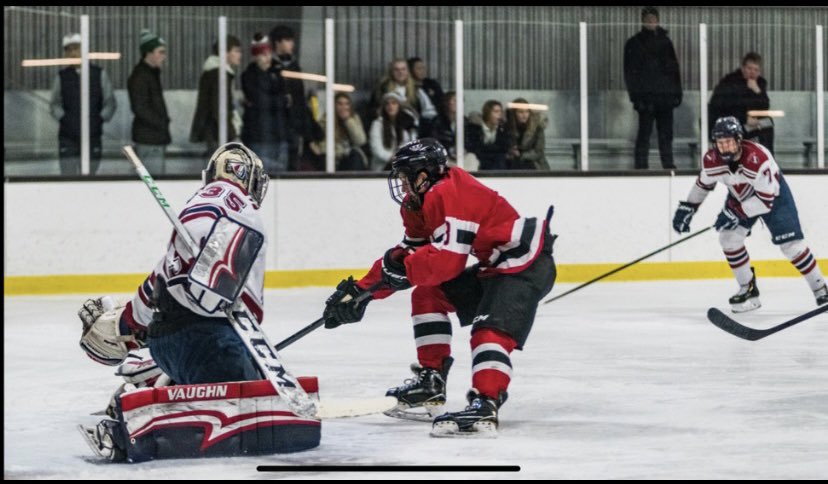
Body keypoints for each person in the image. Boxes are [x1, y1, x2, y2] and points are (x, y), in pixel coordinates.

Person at [74, 143, 321, 462]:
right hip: (209, 342)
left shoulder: (195, 205)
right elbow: (235, 304)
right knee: (247, 410)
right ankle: (128, 426)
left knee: (245, 381)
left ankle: (150, 375)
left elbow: (160, 279)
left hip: (166, 339)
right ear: (252, 179)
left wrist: (126, 324)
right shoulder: (245, 211)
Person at [321, 138, 557, 437]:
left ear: (423, 174)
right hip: (495, 265)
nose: (402, 184)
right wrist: (361, 292)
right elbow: (407, 255)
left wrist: (401, 271)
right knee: (428, 294)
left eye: (406, 176)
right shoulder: (416, 204)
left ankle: (486, 404)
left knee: (489, 330)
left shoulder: (449, 193)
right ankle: (430, 383)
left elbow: (446, 264)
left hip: (526, 263)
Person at [672, 117, 827, 312]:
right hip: (740, 195)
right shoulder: (711, 160)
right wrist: (688, 207)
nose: (724, 147)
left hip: (773, 196)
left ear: (738, 140)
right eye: (720, 143)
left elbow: (765, 201)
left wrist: (735, 212)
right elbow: (703, 185)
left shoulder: (757, 159)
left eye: (728, 141)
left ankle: (820, 289)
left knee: (791, 246)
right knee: (728, 239)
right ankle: (748, 289)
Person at [49, 33, 116, 176]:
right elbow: (54, 103)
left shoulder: (99, 74)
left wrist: (99, 119)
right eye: (69, 50)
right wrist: (64, 119)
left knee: (91, 176)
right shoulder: (62, 76)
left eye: (76, 49)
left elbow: (110, 101)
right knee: (68, 176)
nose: (73, 53)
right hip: (68, 137)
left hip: (92, 136)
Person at [623, 6, 682, 170]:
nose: (651, 21)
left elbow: (674, 70)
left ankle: (668, 164)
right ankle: (641, 166)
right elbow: (630, 74)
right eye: (647, 18)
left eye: (653, 18)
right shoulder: (634, 43)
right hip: (646, 99)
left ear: (657, 20)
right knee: (644, 134)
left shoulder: (665, 42)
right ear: (642, 21)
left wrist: (677, 93)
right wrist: (636, 98)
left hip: (665, 98)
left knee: (666, 134)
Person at [709, 52, 774, 154]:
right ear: (743, 68)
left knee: (767, 123)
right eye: (749, 68)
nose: (752, 72)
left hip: (749, 123)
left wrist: (757, 91)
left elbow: (765, 107)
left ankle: (767, 157)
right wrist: (745, 119)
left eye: (756, 70)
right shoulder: (730, 82)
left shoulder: (760, 83)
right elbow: (725, 107)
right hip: (729, 122)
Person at [189, 35, 243, 156]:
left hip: (214, 132)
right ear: (225, 52)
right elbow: (219, 108)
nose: (240, 55)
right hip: (217, 134)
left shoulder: (215, 72)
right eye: (236, 51)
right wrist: (231, 134)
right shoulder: (219, 74)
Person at [127, 29, 171, 175]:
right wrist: (161, 122)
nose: (163, 56)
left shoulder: (151, 74)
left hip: (153, 137)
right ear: (149, 53)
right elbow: (140, 108)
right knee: (153, 182)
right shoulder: (141, 76)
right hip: (149, 139)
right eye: (160, 52)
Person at [308, 92, 368, 171]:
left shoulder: (354, 119)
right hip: (333, 161)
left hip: (349, 161)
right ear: (334, 106)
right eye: (340, 104)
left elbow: (361, 141)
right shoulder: (326, 120)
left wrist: (348, 120)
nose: (343, 107)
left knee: (355, 156)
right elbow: (322, 146)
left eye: (346, 104)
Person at [369, 91, 418, 170]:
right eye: (387, 104)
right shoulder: (377, 124)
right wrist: (392, 158)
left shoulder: (406, 124)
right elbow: (376, 149)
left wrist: (402, 157)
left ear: (399, 106)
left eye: (394, 103)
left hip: (403, 164)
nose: (390, 106)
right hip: (383, 166)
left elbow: (412, 145)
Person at [466, 100, 512, 170]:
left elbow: (504, 148)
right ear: (487, 113)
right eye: (496, 112)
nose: (499, 114)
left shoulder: (503, 129)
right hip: (480, 161)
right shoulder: (475, 128)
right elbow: (474, 147)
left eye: (500, 112)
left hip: (496, 163)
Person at [505, 98, 550, 170]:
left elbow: (538, 152)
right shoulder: (507, 127)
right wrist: (511, 152)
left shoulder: (537, 128)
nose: (524, 115)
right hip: (512, 162)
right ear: (514, 114)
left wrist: (521, 155)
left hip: (534, 163)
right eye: (521, 112)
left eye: (527, 112)